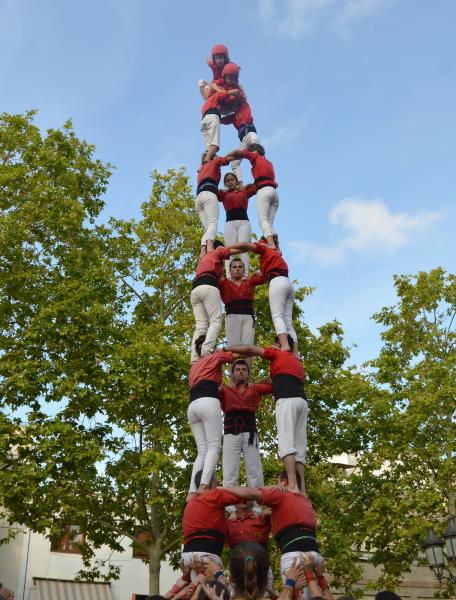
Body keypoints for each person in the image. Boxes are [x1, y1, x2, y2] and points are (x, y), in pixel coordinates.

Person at [225, 336, 307, 493]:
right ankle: (302, 488)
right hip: (301, 401)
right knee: (299, 446)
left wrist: (226, 349)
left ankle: (293, 485)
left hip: (286, 401)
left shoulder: (277, 353)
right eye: (238, 369)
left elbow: (250, 350)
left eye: (273, 343)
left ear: (279, 345)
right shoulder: (296, 361)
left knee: (286, 445)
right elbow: (277, 382)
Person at [182, 472, 260, 580]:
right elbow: (247, 494)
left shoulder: (190, 503)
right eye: (216, 479)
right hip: (206, 555)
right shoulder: (214, 495)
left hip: (188, 557)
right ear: (211, 482)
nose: (218, 481)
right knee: (215, 592)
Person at [229, 237, 297, 351]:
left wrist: (226, 248)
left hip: (277, 282)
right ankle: (295, 353)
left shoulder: (265, 249)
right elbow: (261, 274)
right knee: (288, 322)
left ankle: (284, 346)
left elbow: (244, 244)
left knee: (277, 316)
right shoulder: (276, 256)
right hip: (287, 283)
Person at [220, 360, 272, 506]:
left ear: (249, 374)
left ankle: (257, 508)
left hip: (250, 433)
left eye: (244, 369)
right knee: (230, 471)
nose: (241, 371)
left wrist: (264, 380)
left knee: (254, 470)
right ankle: (231, 509)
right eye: (238, 369)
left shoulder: (256, 388)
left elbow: (274, 385)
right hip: (231, 433)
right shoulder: (224, 390)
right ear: (232, 374)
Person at [188, 343, 237, 494]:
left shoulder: (194, 367)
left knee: (202, 451)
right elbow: (236, 355)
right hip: (208, 401)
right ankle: (203, 485)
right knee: (214, 446)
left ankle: (191, 491)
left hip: (192, 406)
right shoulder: (213, 357)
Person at [190, 241, 239, 363]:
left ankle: (194, 357)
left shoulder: (203, 259)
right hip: (208, 286)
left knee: (201, 326)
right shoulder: (216, 252)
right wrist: (249, 247)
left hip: (195, 290)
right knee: (215, 321)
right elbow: (232, 250)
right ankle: (206, 350)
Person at [228, 144, 278, 248]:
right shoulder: (269, 163)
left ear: (254, 152)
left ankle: (271, 244)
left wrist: (227, 157)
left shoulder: (255, 156)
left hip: (264, 191)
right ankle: (275, 245)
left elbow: (240, 152)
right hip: (274, 193)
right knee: (269, 222)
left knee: (262, 219)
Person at [218, 258, 265, 347]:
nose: (237, 269)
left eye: (240, 267)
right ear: (230, 270)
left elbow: (264, 276)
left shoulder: (250, 281)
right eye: (234, 267)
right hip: (232, 316)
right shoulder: (223, 283)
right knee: (233, 347)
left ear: (244, 270)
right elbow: (212, 276)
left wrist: (257, 272)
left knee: (248, 347)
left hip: (248, 316)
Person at [226, 503, 274, 589]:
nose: (243, 497)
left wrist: (271, 512)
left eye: (246, 492)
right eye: (240, 492)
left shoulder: (262, 518)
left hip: (262, 571)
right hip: (238, 573)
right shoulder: (227, 523)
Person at [217, 172, 256, 274]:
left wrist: (244, 185)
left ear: (236, 181)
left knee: (244, 248)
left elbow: (257, 186)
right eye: (227, 181)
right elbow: (213, 192)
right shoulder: (224, 194)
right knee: (229, 250)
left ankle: (245, 275)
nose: (230, 182)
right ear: (225, 184)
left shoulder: (244, 192)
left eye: (232, 180)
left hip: (244, 222)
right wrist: (221, 190)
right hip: (230, 223)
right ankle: (229, 276)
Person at [221, 99, 260, 184]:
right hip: (244, 141)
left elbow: (240, 94)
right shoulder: (232, 117)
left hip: (251, 134)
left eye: (233, 103)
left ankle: (262, 179)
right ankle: (240, 184)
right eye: (231, 105)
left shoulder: (244, 106)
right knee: (234, 164)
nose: (233, 105)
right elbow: (220, 120)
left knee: (258, 156)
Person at [195, 155, 229, 253]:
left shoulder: (202, 169)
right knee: (213, 222)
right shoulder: (213, 162)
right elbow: (225, 160)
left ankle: (202, 251)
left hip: (198, 199)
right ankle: (210, 248)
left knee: (208, 228)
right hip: (208, 195)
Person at [200, 88, 241, 163]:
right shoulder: (216, 96)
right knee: (214, 146)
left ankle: (201, 166)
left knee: (209, 149)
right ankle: (206, 161)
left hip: (204, 120)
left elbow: (201, 83)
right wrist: (233, 91)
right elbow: (223, 93)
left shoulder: (207, 102)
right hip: (213, 117)